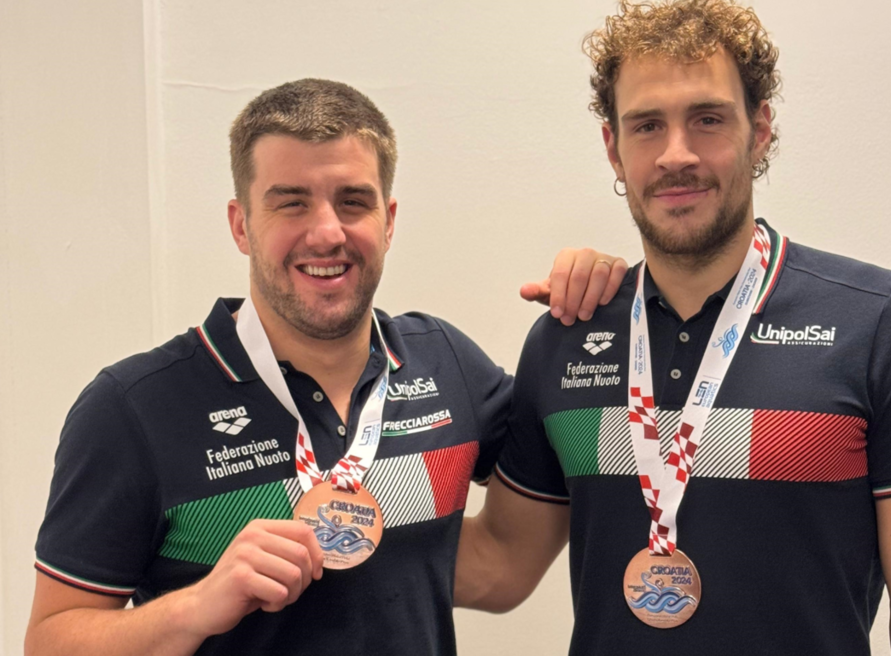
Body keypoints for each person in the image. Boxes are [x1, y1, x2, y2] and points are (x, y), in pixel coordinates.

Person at [24, 78, 628, 656]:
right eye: (291, 204)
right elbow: (50, 641)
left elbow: (504, 562)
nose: (327, 233)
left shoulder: (447, 364)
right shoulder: (133, 408)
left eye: (353, 202)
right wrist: (196, 606)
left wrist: (596, 309)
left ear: (389, 221)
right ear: (241, 225)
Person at [455, 0, 891, 656]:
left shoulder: (882, 324)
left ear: (759, 130)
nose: (676, 154)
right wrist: (335, 523)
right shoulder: (567, 337)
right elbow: (497, 567)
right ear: (614, 148)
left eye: (707, 119)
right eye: (647, 125)